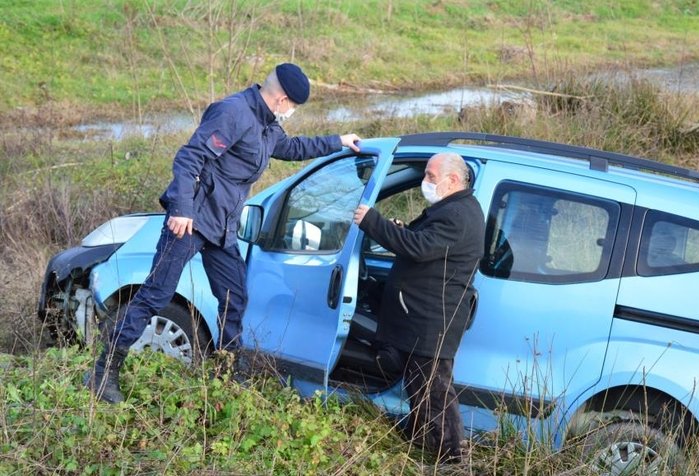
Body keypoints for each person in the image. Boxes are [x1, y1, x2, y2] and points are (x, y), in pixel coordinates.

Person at [86, 63, 362, 404]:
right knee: (156, 294)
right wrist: (182, 209)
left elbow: (292, 148)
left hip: (222, 227)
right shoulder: (233, 112)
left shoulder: (266, 125)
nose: (291, 111)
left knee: (234, 297)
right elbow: (189, 158)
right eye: (292, 105)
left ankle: (228, 373)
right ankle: (103, 372)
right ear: (282, 99)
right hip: (192, 221)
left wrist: (338, 142)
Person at [352, 152, 485, 463]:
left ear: (453, 179)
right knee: (422, 392)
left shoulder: (457, 214)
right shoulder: (454, 208)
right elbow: (427, 242)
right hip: (425, 321)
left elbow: (419, 248)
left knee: (436, 396)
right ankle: (424, 446)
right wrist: (402, 230)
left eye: (430, 176)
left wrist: (372, 221)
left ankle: (452, 461)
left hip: (432, 323)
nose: (425, 181)